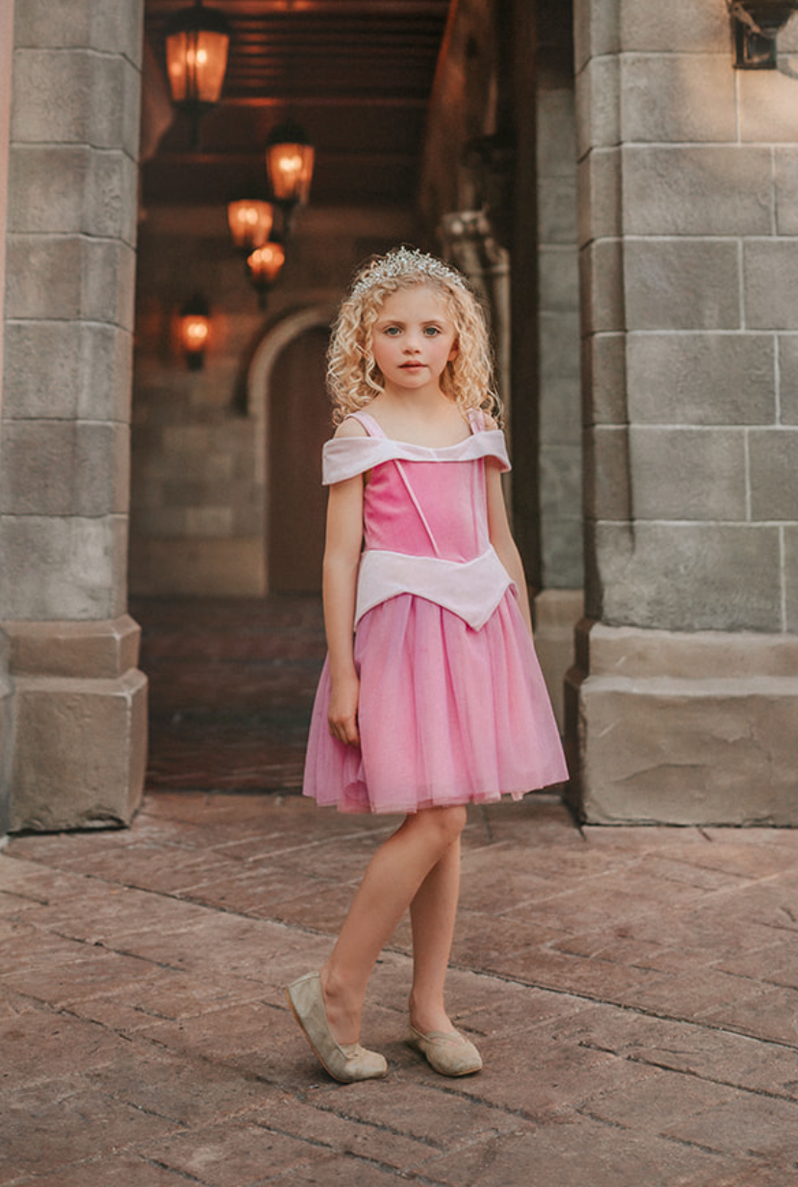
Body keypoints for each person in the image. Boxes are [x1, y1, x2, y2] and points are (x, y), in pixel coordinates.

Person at [286, 247, 568, 1085]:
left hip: (480, 628)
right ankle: (336, 986)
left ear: (457, 341)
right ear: (365, 340)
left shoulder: (478, 425)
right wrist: (344, 673)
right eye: (393, 328)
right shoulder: (361, 433)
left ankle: (428, 1009)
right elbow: (341, 558)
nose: (412, 343)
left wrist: (520, 641)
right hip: (402, 633)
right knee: (436, 817)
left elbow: (499, 537)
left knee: (452, 823)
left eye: (430, 329)